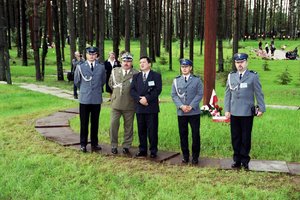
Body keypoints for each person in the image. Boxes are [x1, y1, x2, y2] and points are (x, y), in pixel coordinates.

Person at [224, 53, 266, 170]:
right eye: (237, 62)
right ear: (235, 64)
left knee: (246, 137)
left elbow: (259, 93)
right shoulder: (231, 76)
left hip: (247, 112)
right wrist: (227, 109)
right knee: (235, 137)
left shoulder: (253, 76)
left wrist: (261, 108)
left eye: (242, 62)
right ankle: (236, 160)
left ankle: (245, 160)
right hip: (234, 112)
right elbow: (227, 94)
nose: (239, 65)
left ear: (246, 62)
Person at [74, 46, 106, 153]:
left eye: (94, 54)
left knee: (95, 123)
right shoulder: (80, 67)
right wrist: (85, 89)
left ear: (96, 55)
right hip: (84, 99)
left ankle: (94, 144)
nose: (92, 56)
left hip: (96, 99)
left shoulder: (101, 67)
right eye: (89, 54)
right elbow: (77, 81)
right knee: (84, 123)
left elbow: (102, 81)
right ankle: (83, 144)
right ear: (86, 55)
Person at [171, 59, 203, 164]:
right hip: (181, 112)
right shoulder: (176, 80)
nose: (184, 69)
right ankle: (185, 156)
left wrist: (191, 106)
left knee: (195, 135)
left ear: (190, 68)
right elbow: (174, 95)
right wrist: (181, 106)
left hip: (194, 112)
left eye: (186, 67)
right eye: (182, 67)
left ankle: (195, 157)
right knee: (183, 134)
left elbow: (199, 94)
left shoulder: (197, 80)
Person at [130, 56, 162, 158]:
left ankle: (153, 151)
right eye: (140, 63)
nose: (141, 64)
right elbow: (132, 90)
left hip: (151, 107)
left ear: (149, 64)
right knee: (141, 130)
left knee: (152, 130)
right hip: (140, 107)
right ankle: (142, 150)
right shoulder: (136, 76)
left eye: (143, 62)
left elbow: (157, 90)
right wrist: (140, 99)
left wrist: (146, 99)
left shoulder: (156, 76)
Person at [108, 52, 138, 154]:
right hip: (116, 104)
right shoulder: (115, 71)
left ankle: (126, 146)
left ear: (131, 62)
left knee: (128, 126)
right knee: (113, 124)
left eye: (128, 61)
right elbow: (111, 84)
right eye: (124, 61)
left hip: (129, 104)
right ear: (121, 62)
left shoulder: (136, 73)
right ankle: (113, 145)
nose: (126, 63)